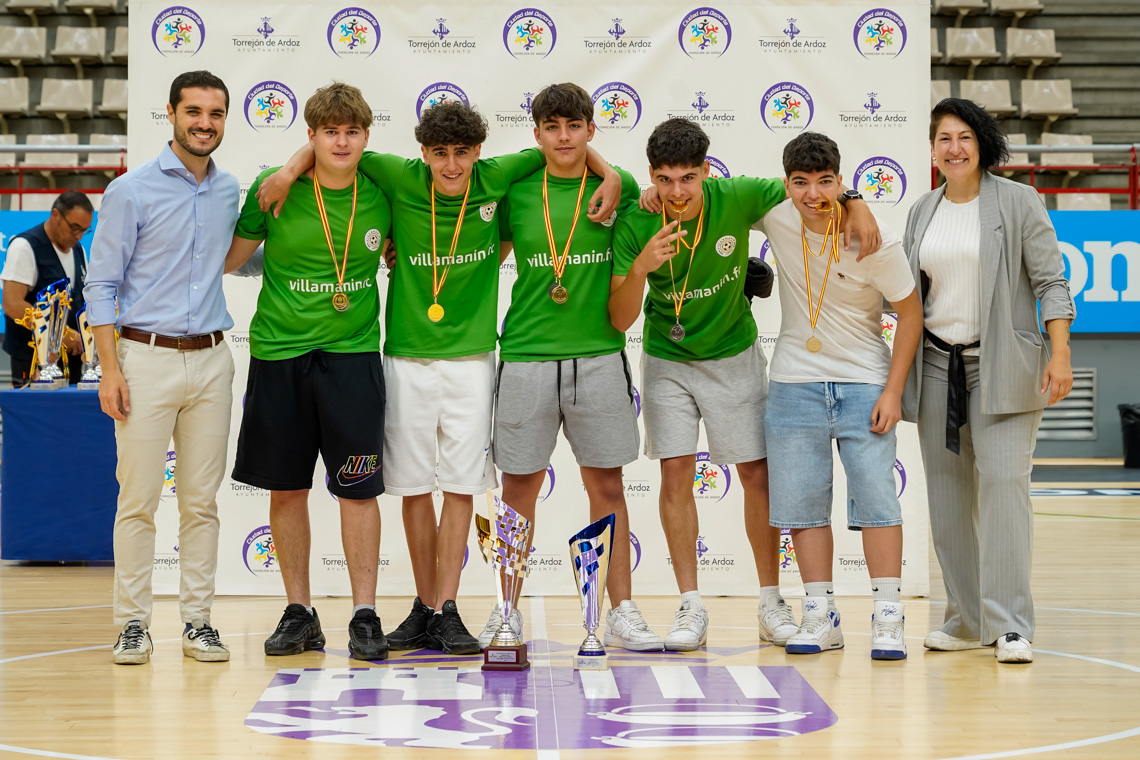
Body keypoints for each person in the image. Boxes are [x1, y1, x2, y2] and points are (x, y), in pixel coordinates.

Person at [256, 102, 621, 655]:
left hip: (473, 360)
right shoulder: (398, 173)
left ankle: (447, 608)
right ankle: (423, 607)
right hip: (403, 358)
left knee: (460, 487)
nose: (452, 166)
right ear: (423, 153)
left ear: (479, 152)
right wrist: (286, 171)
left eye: (463, 154)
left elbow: (565, 148)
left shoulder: (498, 174)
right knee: (410, 488)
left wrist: (613, 174)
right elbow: (332, 145)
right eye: (440, 154)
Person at [609, 118, 882, 651]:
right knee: (675, 476)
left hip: (735, 354)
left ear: (707, 172)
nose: (678, 191)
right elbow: (620, 320)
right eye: (665, 179)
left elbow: (806, 186)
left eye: (688, 177)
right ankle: (690, 604)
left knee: (758, 476)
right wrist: (641, 268)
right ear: (651, 177)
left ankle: (770, 600)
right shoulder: (635, 223)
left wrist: (856, 202)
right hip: (666, 359)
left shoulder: (734, 195)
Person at [484, 82, 662, 651]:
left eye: (575, 127)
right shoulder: (515, 190)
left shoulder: (621, 187)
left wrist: (608, 171)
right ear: (536, 134)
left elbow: (626, 180)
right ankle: (505, 610)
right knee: (517, 491)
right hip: (527, 356)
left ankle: (622, 611)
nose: (564, 138)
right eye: (552, 127)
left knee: (608, 485)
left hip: (599, 356)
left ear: (591, 130)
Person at [902, 98, 1074, 664]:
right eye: (943, 138)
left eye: (964, 138)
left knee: (1003, 488)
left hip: (1003, 365)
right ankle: (965, 617)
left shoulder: (1018, 202)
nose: (954, 148)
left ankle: (1009, 625)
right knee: (948, 500)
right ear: (932, 149)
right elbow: (906, 294)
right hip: (935, 367)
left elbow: (1051, 281)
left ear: (982, 145)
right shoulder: (922, 210)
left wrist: (1060, 352)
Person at [224, 83, 391, 661]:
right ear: (312, 135)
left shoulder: (383, 192)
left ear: (366, 137)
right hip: (279, 355)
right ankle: (299, 611)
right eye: (329, 132)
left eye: (352, 132)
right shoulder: (274, 190)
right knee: (287, 488)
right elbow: (230, 260)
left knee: (359, 490)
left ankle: (365, 615)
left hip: (353, 356)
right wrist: (285, 172)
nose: (341, 141)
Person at [85, 70, 237, 665]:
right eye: (194, 111)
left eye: (216, 114)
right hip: (142, 359)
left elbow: (240, 262)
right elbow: (101, 284)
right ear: (171, 113)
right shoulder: (131, 190)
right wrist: (109, 367)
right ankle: (132, 624)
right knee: (139, 499)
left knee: (202, 502)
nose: (205, 123)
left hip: (212, 362)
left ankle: (198, 621)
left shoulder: (230, 193)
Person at [754, 131, 922, 659]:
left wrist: (893, 391)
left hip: (863, 382)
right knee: (801, 506)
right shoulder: (776, 216)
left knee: (876, 500)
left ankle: (888, 615)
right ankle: (820, 614)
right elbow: (707, 192)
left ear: (840, 180)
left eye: (826, 182)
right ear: (786, 184)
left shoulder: (877, 239)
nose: (813, 194)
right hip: (792, 384)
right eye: (800, 182)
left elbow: (911, 314)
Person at [2, 190, 93, 386]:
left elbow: (82, 300)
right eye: (74, 228)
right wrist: (62, 334)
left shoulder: (79, 250)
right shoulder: (25, 247)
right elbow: (12, 304)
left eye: (84, 231)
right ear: (55, 215)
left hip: (73, 358)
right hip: (32, 359)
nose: (78, 236)